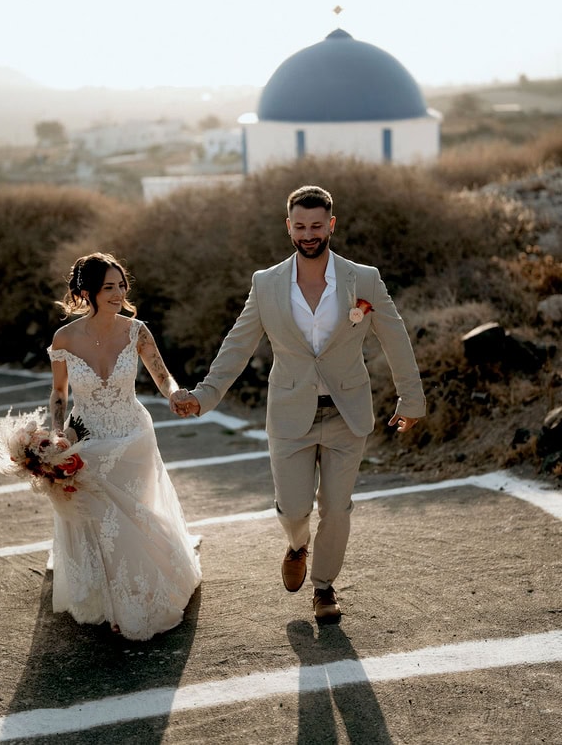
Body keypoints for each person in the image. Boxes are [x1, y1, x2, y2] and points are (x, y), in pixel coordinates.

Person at [170, 186, 425, 624]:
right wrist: (203, 396)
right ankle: (296, 544)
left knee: (337, 508)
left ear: (331, 225)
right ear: (289, 227)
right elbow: (238, 345)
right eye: (301, 226)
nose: (309, 234)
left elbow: (395, 337)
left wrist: (412, 398)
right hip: (290, 414)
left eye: (317, 226)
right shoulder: (266, 283)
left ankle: (324, 588)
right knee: (293, 509)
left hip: (346, 412)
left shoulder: (363, 279)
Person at [47, 252, 201, 639]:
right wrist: (56, 434)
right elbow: (59, 393)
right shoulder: (65, 339)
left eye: (121, 286)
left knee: (134, 519)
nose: (118, 294)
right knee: (100, 522)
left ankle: (134, 597)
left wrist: (174, 393)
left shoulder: (137, 331)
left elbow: (162, 376)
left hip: (133, 437)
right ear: (87, 293)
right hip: (89, 438)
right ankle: (110, 601)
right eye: (108, 288)